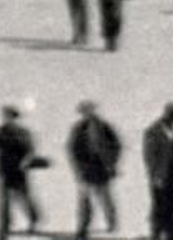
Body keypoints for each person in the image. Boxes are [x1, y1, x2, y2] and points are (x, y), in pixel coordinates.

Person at [0, 105, 43, 239]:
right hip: (4, 170)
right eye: (6, 116)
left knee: (24, 198)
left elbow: (31, 149)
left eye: (10, 117)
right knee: (4, 201)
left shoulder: (23, 132)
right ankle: (4, 229)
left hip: (19, 171)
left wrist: (26, 161)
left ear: (15, 118)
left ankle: (33, 219)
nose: (7, 119)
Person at [66, 100, 122, 239]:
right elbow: (72, 149)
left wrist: (112, 162)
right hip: (86, 169)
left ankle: (111, 222)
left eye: (89, 110)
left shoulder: (104, 127)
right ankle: (83, 227)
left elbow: (117, 145)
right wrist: (78, 166)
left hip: (102, 169)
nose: (87, 114)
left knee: (105, 197)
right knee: (85, 200)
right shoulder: (78, 129)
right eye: (84, 111)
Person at [143, 102, 173, 240]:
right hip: (160, 176)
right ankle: (156, 235)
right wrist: (155, 176)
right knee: (159, 208)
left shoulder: (170, 129)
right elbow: (149, 156)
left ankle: (172, 235)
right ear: (169, 115)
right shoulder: (153, 130)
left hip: (172, 175)